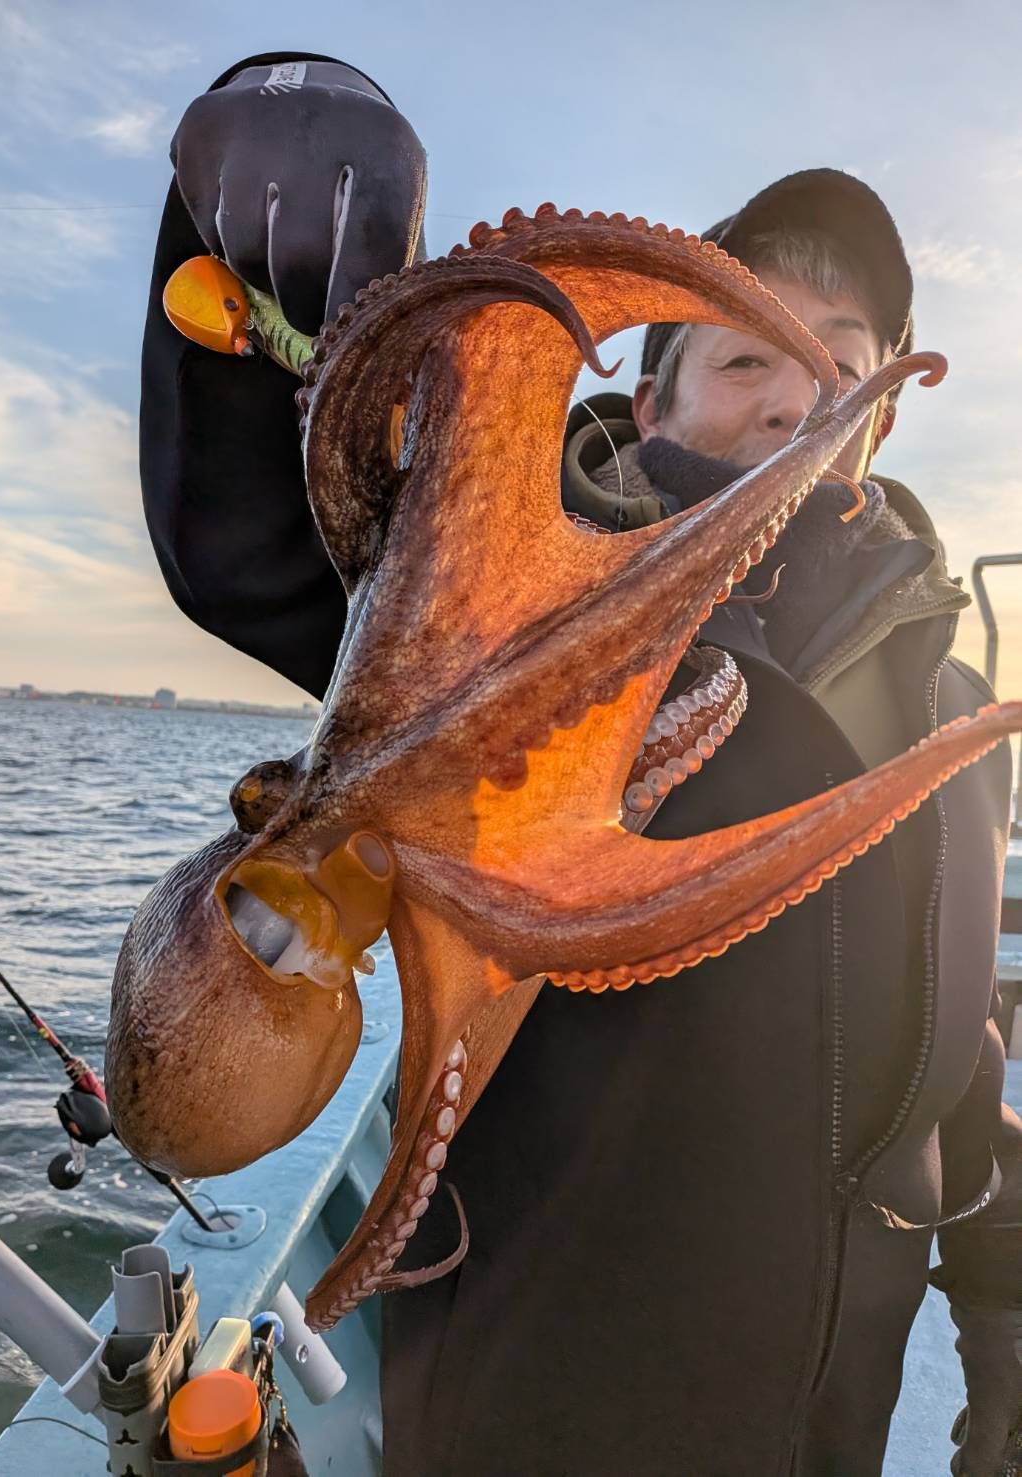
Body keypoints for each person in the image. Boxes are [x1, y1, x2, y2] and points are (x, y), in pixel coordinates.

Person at [140, 54, 1022, 1476]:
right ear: (654, 400)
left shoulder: (954, 709)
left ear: (885, 416)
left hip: (830, 1423)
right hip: (544, 1406)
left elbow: (964, 1060)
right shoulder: (497, 625)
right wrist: (252, 212)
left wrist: (1004, 1365)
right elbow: (247, 544)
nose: (795, 401)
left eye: (841, 368)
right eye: (746, 356)